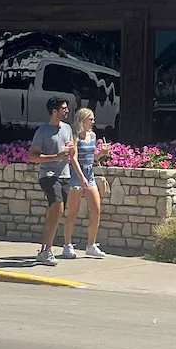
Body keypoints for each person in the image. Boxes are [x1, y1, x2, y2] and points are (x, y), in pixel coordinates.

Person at [29, 96, 75, 266]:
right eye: (64, 108)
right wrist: (55, 157)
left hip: (65, 175)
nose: (67, 111)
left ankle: (44, 249)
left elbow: (72, 150)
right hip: (48, 174)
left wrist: (72, 150)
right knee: (57, 207)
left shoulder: (68, 129)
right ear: (54, 111)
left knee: (56, 211)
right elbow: (33, 156)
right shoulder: (42, 131)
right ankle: (47, 250)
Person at [61, 107, 108, 259]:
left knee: (96, 209)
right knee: (73, 212)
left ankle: (91, 245)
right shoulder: (76, 136)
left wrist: (101, 154)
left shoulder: (92, 136)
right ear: (82, 120)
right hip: (77, 173)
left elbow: (92, 157)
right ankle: (67, 245)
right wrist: (81, 177)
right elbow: (73, 157)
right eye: (90, 119)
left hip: (90, 172)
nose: (93, 122)